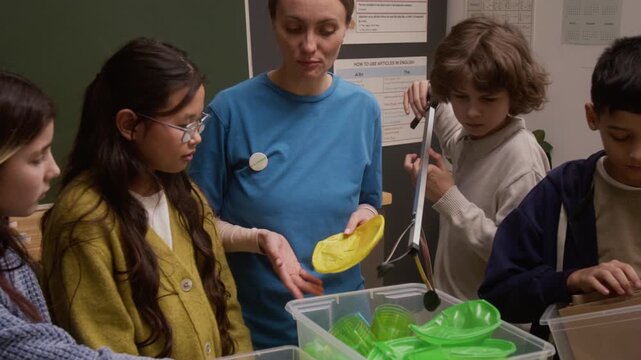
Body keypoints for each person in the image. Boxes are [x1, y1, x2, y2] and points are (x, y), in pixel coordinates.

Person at [40, 38, 252, 359]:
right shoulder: (84, 221)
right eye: (183, 125)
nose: (196, 136)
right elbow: (103, 344)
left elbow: (228, 306)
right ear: (129, 125)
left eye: (199, 121)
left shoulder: (187, 195)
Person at [189, 0, 382, 349]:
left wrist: (366, 216)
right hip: (263, 328)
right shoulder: (230, 111)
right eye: (294, 29)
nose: (309, 46)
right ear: (274, 23)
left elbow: (369, 201)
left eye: (326, 30)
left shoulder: (363, 109)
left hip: (348, 324)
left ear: (348, 26)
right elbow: (195, 223)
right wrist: (256, 239)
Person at [479, 35, 641, 339]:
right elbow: (498, 294)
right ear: (593, 117)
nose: (636, 155)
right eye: (621, 136)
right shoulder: (562, 192)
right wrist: (571, 280)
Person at [0, 71, 168, 359]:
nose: (54, 170)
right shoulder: (83, 216)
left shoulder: (7, 248)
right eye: (36, 158)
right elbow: (31, 348)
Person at [402, 17, 550, 302]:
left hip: (495, 328)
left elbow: (518, 254)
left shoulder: (522, 160)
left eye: (488, 99)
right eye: (461, 96)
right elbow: (448, 120)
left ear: (514, 94)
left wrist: (448, 198)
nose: (472, 112)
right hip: (456, 309)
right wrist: (429, 88)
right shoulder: (473, 138)